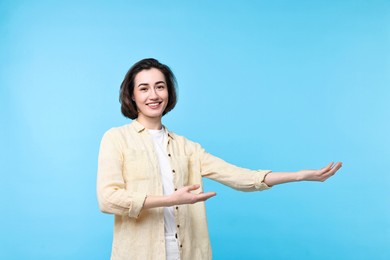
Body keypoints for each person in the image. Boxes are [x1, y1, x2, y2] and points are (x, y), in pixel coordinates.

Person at [97, 58, 342, 260]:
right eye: (144, 88)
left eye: (160, 86)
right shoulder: (116, 138)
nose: (154, 94)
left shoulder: (187, 148)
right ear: (131, 94)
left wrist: (300, 176)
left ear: (169, 93)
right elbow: (108, 199)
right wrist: (170, 200)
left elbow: (239, 177)